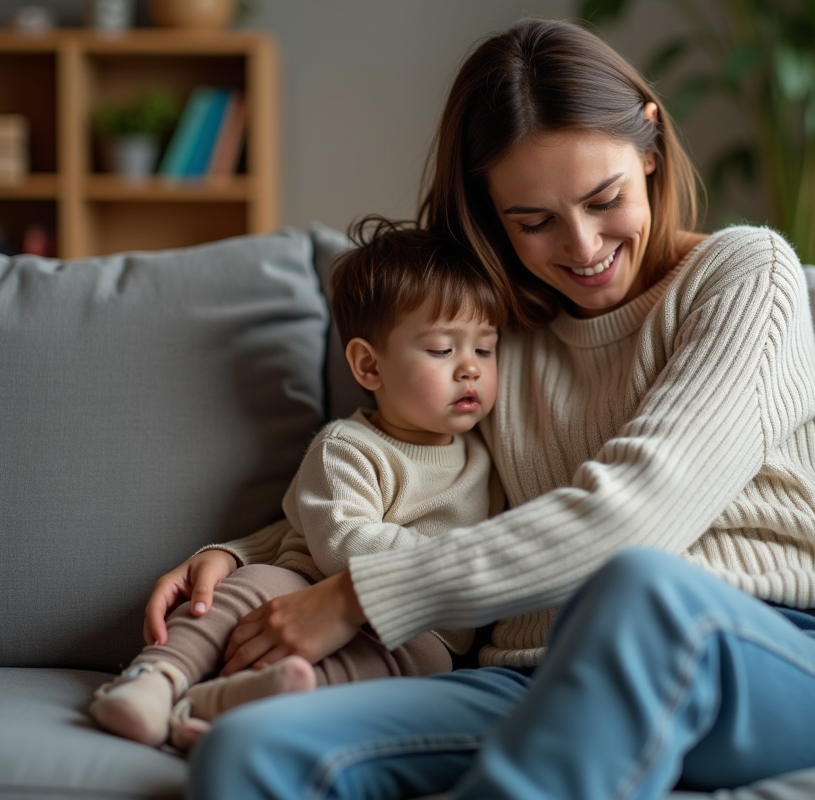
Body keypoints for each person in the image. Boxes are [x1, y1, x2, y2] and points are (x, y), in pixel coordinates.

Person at [173, 18, 815, 799]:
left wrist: (360, 592)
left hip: (793, 655)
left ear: (651, 147)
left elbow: (637, 515)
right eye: (533, 222)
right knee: (248, 752)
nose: (584, 246)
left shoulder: (746, 275)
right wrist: (237, 553)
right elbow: (410, 473)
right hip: (540, 672)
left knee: (639, 588)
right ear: (489, 212)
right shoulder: (489, 339)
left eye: (605, 199)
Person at [91, 219, 505, 751]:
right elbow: (337, 542)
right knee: (254, 587)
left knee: (426, 660)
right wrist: (233, 556)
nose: (470, 370)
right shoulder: (346, 447)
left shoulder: (483, 455)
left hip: (413, 626)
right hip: (310, 589)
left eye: (486, 349)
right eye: (443, 350)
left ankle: (228, 706)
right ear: (369, 365)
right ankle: (155, 681)